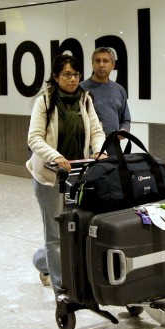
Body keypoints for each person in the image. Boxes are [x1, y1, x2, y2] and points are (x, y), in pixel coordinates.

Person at [26, 53, 105, 294]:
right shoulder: (45, 101)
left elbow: (97, 131)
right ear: (56, 76)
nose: (72, 80)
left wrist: (99, 150)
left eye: (75, 74)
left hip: (77, 175)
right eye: (67, 75)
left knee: (75, 228)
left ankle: (42, 261)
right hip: (49, 177)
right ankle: (62, 289)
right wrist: (55, 156)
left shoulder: (85, 99)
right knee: (56, 233)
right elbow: (34, 139)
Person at [79, 46, 132, 138]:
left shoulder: (119, 90)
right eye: (98, 61)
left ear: (113, 65)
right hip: (90, 149)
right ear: (92, 64)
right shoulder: (81, 89)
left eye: (105, 61)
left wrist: (123, 131)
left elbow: (126, 120)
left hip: (114, 148)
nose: (101, 65)